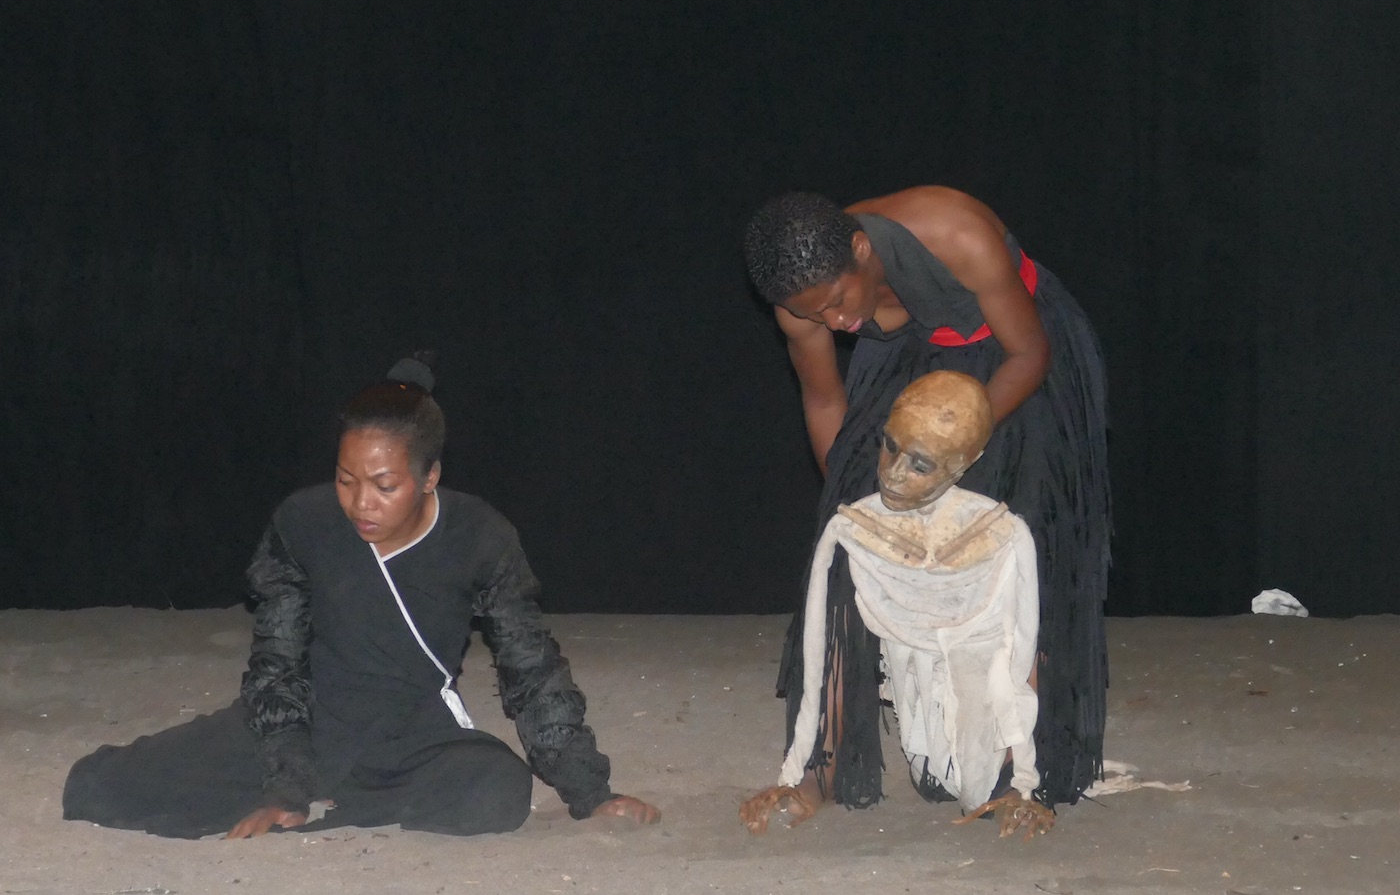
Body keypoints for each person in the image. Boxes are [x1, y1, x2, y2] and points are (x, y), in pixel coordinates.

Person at [63, 355, 660, 838]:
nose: (360, 503)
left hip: (411, 732)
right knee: (97, 787)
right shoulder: (304, 522)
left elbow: (531, 668)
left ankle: (333, 797)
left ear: (429, 477)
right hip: (307, 721)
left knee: (497, 790)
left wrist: (590, 792)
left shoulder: (481, 536)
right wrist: (286, 782)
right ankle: (314, 791)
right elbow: (277, 664)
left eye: (384, 485)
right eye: (346, 480)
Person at [742, 186, 1110, 813]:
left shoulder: (956, 234)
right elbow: (825, 401)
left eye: (838, 301)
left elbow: (1029, 354)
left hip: (1011, 355)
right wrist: (861, 512)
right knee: (846, 552)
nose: (835, 323)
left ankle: (1020, 773)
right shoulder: (803, 307)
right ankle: (819, 764)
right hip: (908, 353)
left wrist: (945, 448)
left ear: (862, 251)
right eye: (816, 316)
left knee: (1022, 542)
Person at [741, 371, 1053, 841]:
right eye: (889, 446)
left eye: (919, 465)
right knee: (847, 574)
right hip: (879, 525)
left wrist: (1020, 774)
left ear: (966, 464)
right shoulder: (856, 525)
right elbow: (824, 643)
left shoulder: (1004, 533)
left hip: (994, 409)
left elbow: (1022, 644)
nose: (893, 472)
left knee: (1022, 619)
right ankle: (818, 767)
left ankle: (1012, 779)